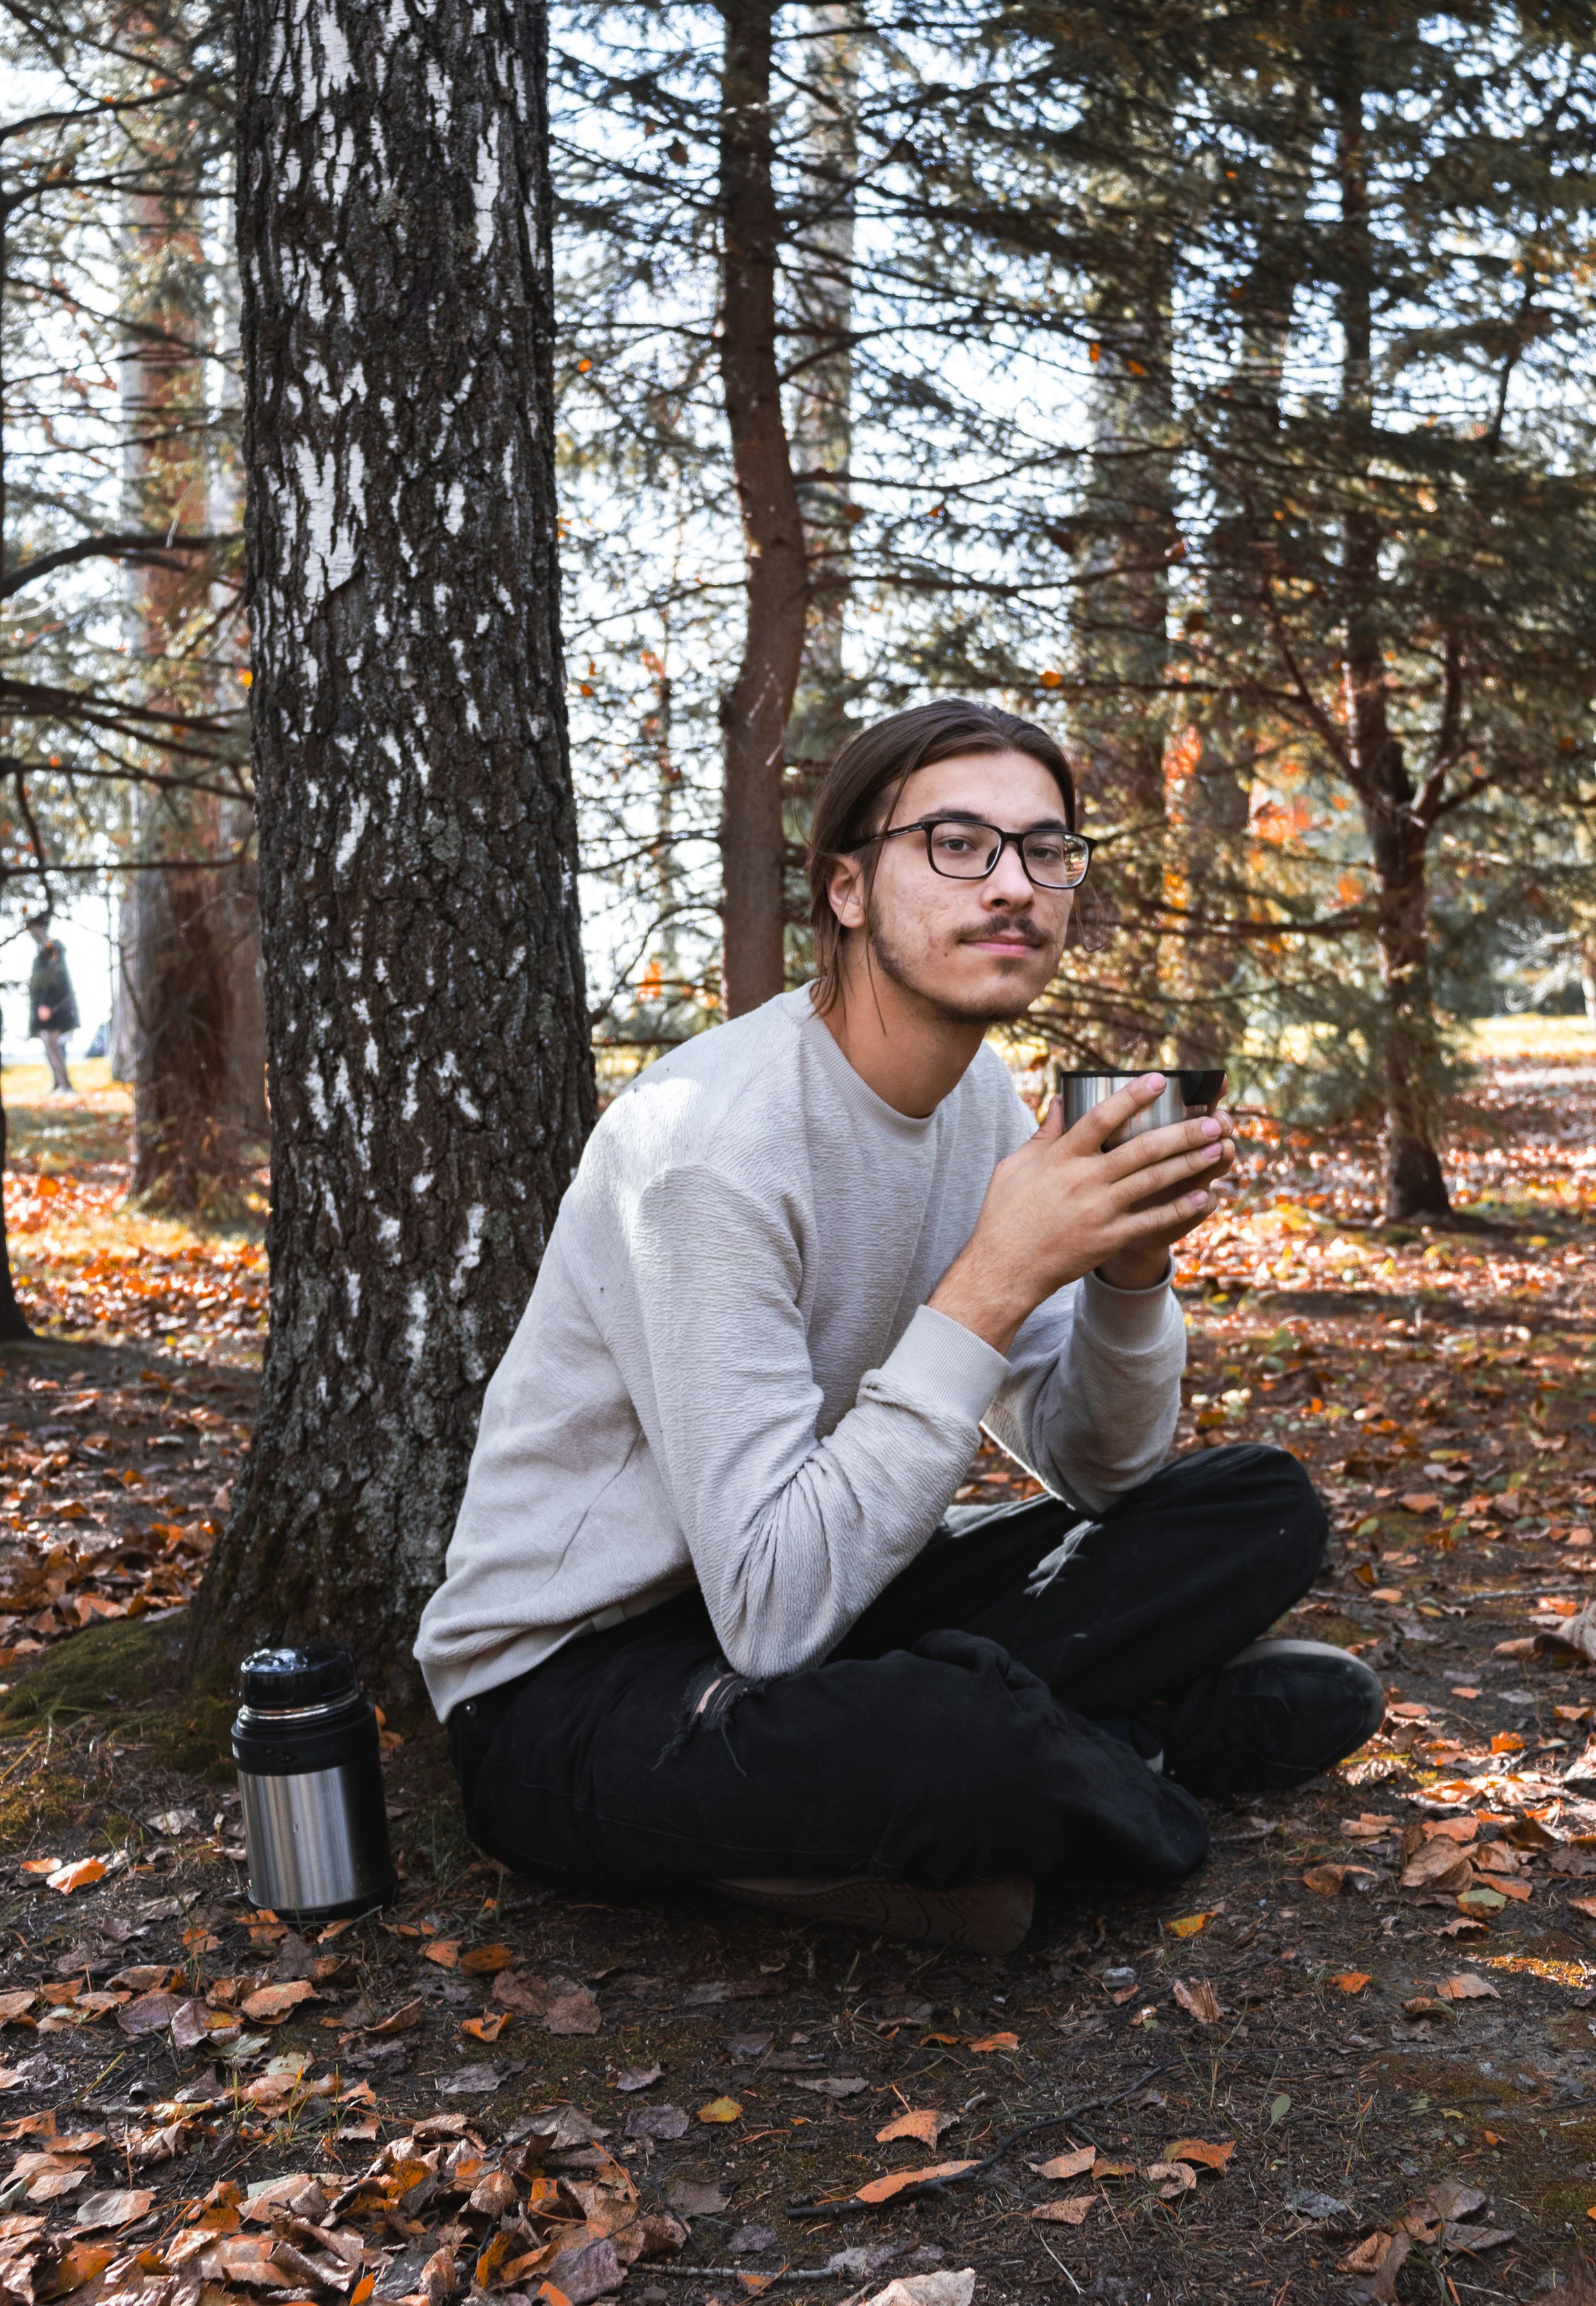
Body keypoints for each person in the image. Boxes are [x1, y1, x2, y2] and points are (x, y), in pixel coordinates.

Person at [416, 699, 1382, 1953]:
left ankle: (1053, 1760)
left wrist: (1130, 1274)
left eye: (1047, 851)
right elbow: (765, 1610)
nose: (1016, 885)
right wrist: (989, 1279)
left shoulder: (977, 1098)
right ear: (851, 889)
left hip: (825, 1601)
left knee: (1257, 1505)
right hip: (577, 1686)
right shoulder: (710, 1148)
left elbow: (1098, 1471)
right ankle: (1129, 1752)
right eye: (958, 843)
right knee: (953, 1745)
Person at [25, 912, 77, 1098]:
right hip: (43, 1008)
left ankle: (65, 1084)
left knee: (54, 1046)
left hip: (53, 1009)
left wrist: (47, 1004)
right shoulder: (42, 951)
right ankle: (57, 1083)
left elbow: (54, 979)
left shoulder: (52, 949)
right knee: (48, 1046)